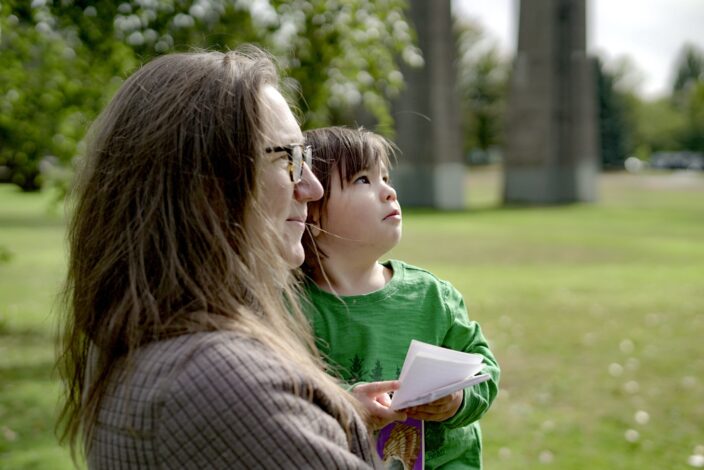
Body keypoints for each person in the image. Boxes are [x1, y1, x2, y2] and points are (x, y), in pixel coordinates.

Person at [56, 49, 398, 468]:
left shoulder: (138, 340)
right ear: (204, 187)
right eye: (288, 159)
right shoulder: (227, 381)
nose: (312, 188)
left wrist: (331, 416)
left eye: (306, 160)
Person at [301, 126, 501, 469]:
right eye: (363, 180)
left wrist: (457, 400)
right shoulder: (295, 308)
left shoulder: (431, 296)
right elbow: (288, 401)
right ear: (313, 214)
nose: (389, 192)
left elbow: (484, 366)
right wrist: (346, 405)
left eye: (385, 177)